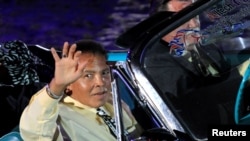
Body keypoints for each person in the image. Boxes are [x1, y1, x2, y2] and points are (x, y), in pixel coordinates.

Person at [19, 39, 142, 141]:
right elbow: (34, 131)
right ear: (68, 83)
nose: (100, 82)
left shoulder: (114, 102)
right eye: (88, 75)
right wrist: (57, 85)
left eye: (104, 72)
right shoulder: (58, 117)